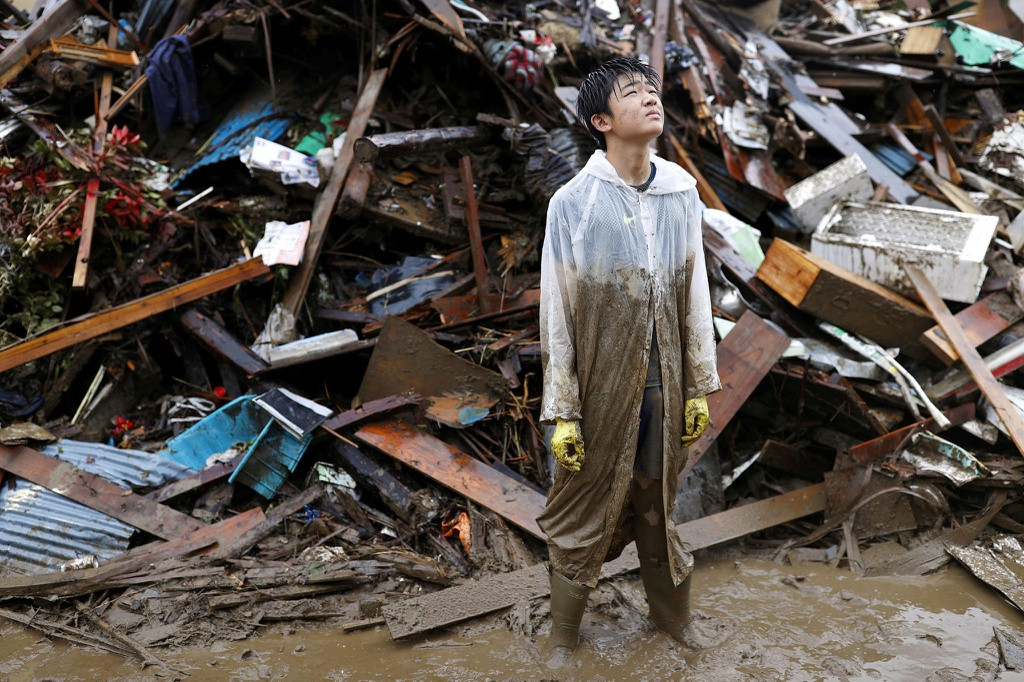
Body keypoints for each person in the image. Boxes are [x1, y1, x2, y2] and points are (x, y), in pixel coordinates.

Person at [537, 56, 721, 665]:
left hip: (664, 382)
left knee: (656, 503)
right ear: (600, 120)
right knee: (584, 504)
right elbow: (557, 313)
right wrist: (562, 409)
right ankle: (563, 637)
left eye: (652, 89)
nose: (650, 98)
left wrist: (698, 384)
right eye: (631, 93)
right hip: (598, 387)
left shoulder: (680, 192)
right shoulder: (573, 203)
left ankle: (674, 624)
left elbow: (694, 288)